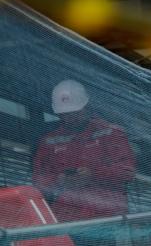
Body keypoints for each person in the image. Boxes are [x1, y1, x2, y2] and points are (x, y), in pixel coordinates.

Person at [32, 80, 136, 226]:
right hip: (67, 217)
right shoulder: (49, 141)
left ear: (86, 107)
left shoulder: (112, 133)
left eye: (75, 113)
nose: (70, 118)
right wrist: (60, 180)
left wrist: (93, 174)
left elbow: (127, 172)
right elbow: (38, 180)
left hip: (108, 216)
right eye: (65, 114)